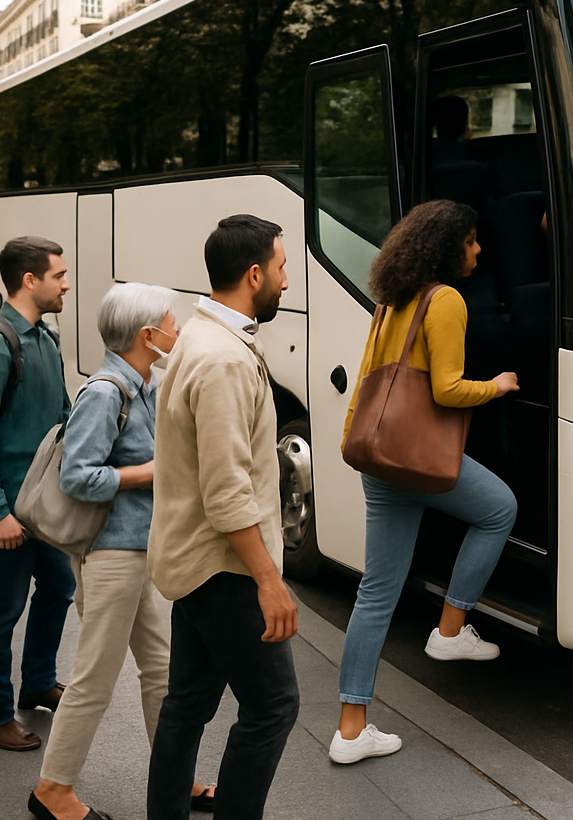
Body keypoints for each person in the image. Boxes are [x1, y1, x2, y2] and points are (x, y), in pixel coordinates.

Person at [330, 199, 519, 765]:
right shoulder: (445, 301)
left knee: (376, 593)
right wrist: (499, 384)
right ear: (446, 246)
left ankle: (349, 728)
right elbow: (447, 390)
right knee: (499, 509)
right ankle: (451, 626)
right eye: (471, 240)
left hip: (380, 459)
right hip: (419, 460)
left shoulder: (391, 300)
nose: (479, 250)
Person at [28, 283, 213, 820]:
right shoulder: (107, 392)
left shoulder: (142, 386)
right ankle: (52, 790)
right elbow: (77, 476)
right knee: (93, 680)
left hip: (137, 552)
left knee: (160, 671)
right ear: (146, 335)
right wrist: (152, 473)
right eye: (170, 322)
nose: (177, 331)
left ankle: (176, 776)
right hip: (111, 556)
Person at [146, 214, 299, 820]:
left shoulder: (202, 338)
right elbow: (226, 491)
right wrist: (269, 579)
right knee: (273, 706)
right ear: (254, 273)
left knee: (185, 705)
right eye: (283, 268)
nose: (287, 282)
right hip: (224, 568)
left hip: (196, 561)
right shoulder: (222, 360)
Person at [0, 237, 75, 751]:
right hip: (6, 511)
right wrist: (0, 514)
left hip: (41, 506)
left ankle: (37, 683)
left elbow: (62, 415)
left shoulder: (45, 340)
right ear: (30, 280)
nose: (66, 283)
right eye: (59, 275)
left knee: (57, 589)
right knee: (1, 609)